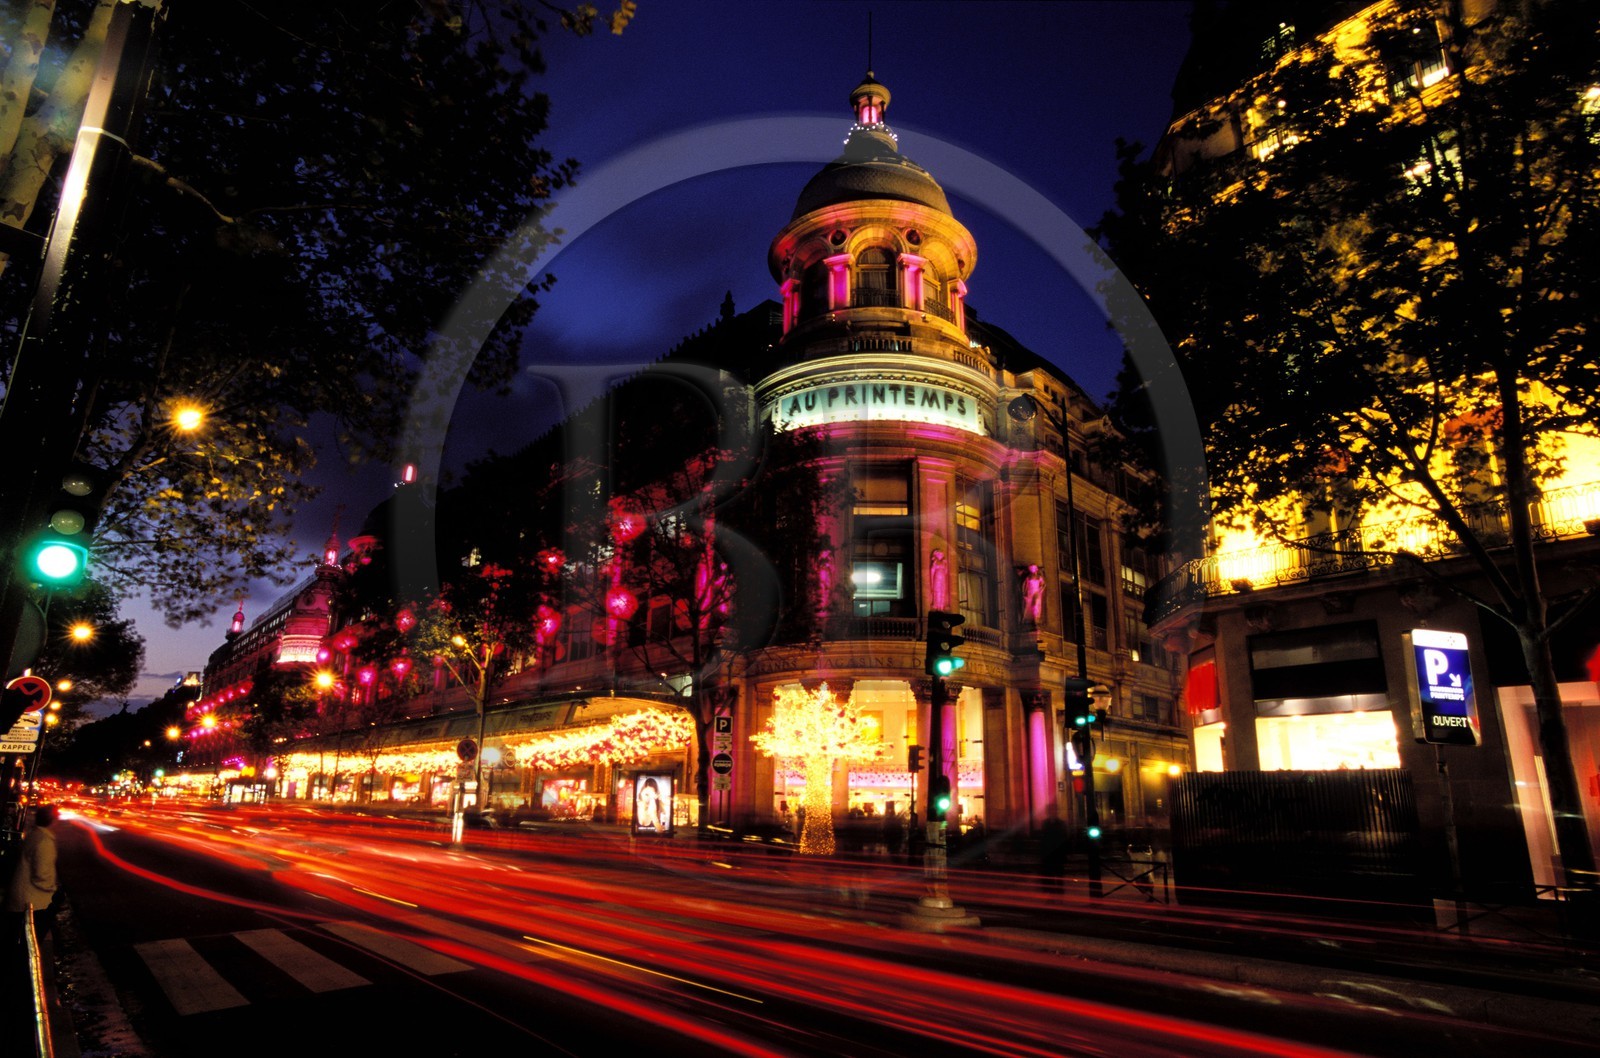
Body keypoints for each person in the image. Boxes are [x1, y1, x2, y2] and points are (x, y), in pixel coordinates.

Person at [7, 805, 60, 941]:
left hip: (21, 897)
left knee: (15, 937)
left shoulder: (34, 834)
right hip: (33, 903)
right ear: (52, 821)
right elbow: (42, 875)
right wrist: (53, 889)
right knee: (31, 939)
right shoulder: (44, 842)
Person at [1039, 803, 1069, 893]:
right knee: (1050, 874)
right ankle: (1053, 892)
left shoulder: (1060, 824)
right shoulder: (1046, 823)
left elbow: (1064, 838)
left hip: (1057, 852)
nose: (1052, 812)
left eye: (1054, 810)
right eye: (1051, 811)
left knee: (1059, 874)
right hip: (1050, 853)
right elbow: (1043, 838)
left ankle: (1059, 892)